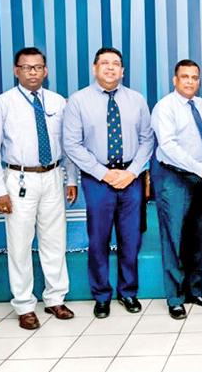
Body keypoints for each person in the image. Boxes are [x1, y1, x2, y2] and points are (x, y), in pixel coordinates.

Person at [0, 47, 79, 330]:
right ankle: (25, 305)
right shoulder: (2, 104)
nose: (33, 72)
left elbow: (68, 143)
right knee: (20, 244)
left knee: (54, 240)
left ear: (45, 70)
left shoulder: (58, 102)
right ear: (16, 71)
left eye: (38, 67)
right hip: (18, 179)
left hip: (52, 176)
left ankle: (54, 298)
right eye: (26, 67)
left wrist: (71, 179)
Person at [62, 47, 154, 319]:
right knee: (99, 239)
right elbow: (71, 144)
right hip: (97, 179)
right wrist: (103, 173)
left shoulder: (137, 100)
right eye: (105, 63)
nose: (110, 68)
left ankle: (128, 292)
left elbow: (147, 139)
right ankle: (101, 296)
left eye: (116, 64)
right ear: (94, 68)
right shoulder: (78, 101)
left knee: (130, 238)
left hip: (131, 178)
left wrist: (133, 171)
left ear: (123, 71)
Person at [150, 59, 202, 320]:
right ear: (175, 79)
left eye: (195, 77)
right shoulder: (164, 107)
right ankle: (175, 298)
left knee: (199, 236)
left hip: (199, 175)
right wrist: (200, 168)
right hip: (174, 177)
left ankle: (195, 291)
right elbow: (169, 147)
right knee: (174, 238)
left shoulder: (200, 104)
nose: (191, 82)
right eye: (185, 77)